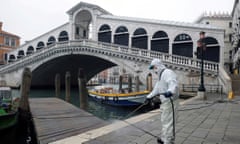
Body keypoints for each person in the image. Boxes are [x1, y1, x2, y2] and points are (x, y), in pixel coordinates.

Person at [145, 58, 179, 144]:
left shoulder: (168, 73)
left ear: (157, 66)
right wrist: (149, 97)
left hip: (170, 101)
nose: (153, 70)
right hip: (164, 103)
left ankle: (168, 141)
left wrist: (170, 91)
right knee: (164, 121)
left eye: (154, 68)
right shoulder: (160, 76)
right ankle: (164, 138)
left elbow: (173, 83)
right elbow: (156, 89)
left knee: (169, 122)